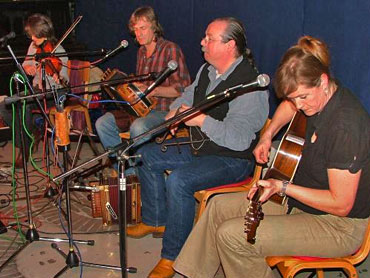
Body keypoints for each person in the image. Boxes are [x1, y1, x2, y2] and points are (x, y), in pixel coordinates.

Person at [173, 35, 370, 278]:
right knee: (217, 208)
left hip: (336, 225)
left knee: (233, 236)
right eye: (293, 98)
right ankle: (191, 274)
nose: (298, 106)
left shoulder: (345, 126)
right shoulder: (319, 94)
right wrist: (267, 136)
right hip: (301, 203)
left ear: (323, 81)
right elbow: (290, 105)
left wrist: (282, 187)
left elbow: (341, 204)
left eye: (303, 98)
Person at [128, 17, 269, 278]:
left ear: (230, 46)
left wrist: (202, 120)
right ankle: (156, 219)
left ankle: (172, 256)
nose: (202, 42)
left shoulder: (248, 85)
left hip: (232, 159)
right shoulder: (207, 70)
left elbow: (240, 140)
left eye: (209, 38)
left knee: (180, 181)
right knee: (145, 154)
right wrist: (173, 114)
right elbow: (187, 96)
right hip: (201, 147)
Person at [95, 6, 191, 163]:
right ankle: (129, 170)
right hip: (140, 110)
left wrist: (152, 90)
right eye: (135, 29)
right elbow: (142, 88)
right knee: (102, 123)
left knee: (138, 127)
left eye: (143, 28)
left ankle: (141, 170)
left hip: (164, 111)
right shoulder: (141, 52)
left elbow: (183, 89)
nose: (138, 33)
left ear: (154, 27)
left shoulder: (170, 49)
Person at [0, 13, 69, 167]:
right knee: (4, 105)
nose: (31, 38)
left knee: (24, 104)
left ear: (42, 32)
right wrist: (29, 67)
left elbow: (65, 80)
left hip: (52, 92)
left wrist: (59, 78)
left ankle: (25, 148)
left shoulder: (59, 50)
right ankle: (27, 138)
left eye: (33, 35)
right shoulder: (34, 46)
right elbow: (25, 64)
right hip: (36, 89)